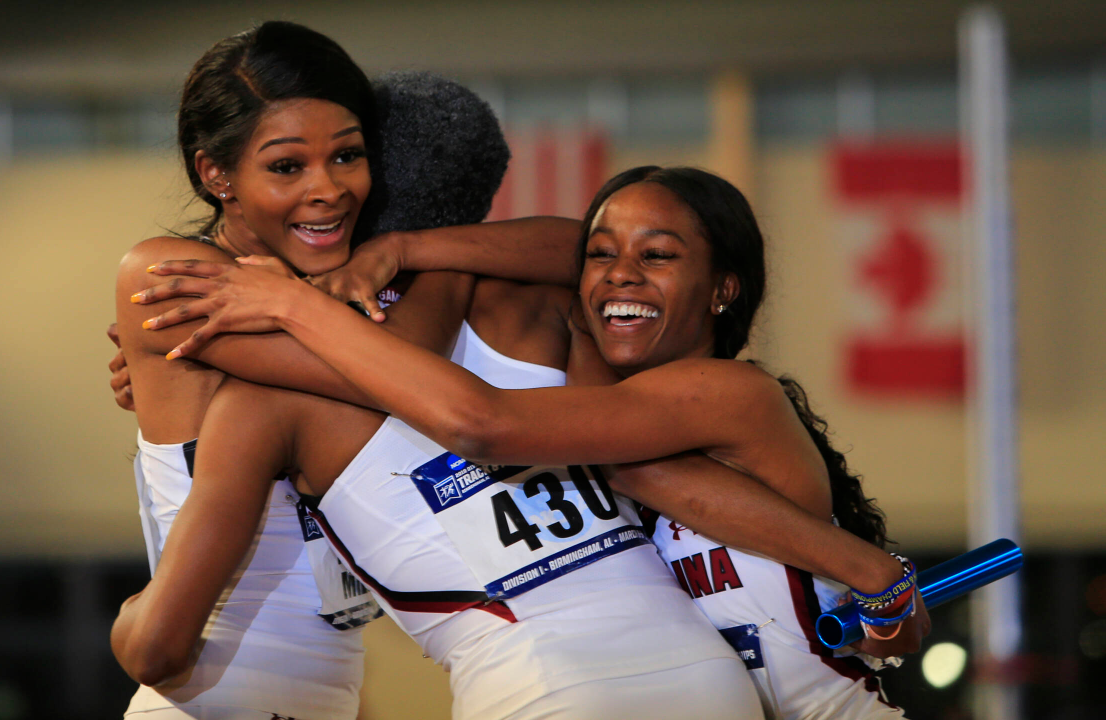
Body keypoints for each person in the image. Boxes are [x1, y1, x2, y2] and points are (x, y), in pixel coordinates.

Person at [136, 166, 929, 718]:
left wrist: (292, 310)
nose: (618, 276)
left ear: (723, 289)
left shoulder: (721, 394)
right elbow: (640, 465)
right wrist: (865, 573)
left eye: (657, 258)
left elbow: (489, 425)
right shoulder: (611, 416)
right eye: (602, 257)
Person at [109, 24, 510, 720]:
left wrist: (404, 251)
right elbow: (398, 385)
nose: (328, 190)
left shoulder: (347, 298)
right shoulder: (170, 275)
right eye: (287, 167)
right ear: (216, 175)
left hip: (332, 689)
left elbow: (577, 245)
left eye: (348, 156)